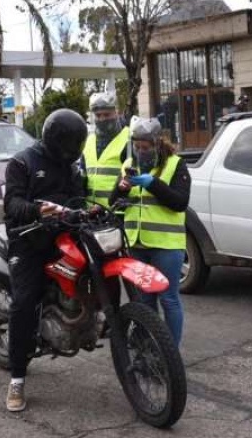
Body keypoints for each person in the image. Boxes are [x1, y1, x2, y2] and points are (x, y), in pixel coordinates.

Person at [2, 108, 88, 413]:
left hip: (63, 236)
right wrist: (38, 211)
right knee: (24, 301)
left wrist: (93, 210)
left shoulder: (72, 166)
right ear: (54, 140)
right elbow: (11, 202)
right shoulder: (23, 162)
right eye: (69, 143)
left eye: (77, 143)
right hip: (28, 240)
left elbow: (81, 196)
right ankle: (17, 379)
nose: (72, 150)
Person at [111, 117, 191, 346]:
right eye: (136, 147)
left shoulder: (176, 164)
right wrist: (121, 189)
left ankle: (170, 352)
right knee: (145, 300)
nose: (140, 152)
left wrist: (152, 184)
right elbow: (113, 201)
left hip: (166, 245)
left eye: (145, 148)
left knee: (169, 299)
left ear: (158, 144)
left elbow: (180, 202)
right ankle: (148, 348)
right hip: (137, 244)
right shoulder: (128, 165)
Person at [83, 91, 130, 207]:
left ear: (117, 112)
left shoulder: (129, 138)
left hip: (117, 212)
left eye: (107, 114)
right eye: (98, 115)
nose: (102, 119)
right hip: (91, 214)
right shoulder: (89, 140)